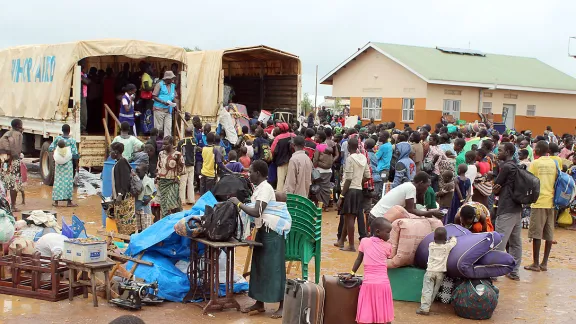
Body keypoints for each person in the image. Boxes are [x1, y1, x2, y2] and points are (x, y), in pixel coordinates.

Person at [230, 160, 285, 319]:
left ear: (258, 174)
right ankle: (259, 302)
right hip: (263, 230)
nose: (248, 174)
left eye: (251, 171)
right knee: (259, 266)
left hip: (273, 232)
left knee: (274, 269)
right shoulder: (259, 188)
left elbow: (256, 211)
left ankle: (282, 305)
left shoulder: (266, 188)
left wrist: (238, 204)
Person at [348, 217, 394, 324]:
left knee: (368, 309)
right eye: (388, 232)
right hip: (383, 284)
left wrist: (351, 274)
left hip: (368, 283)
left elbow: (359, 259)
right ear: (377, 232)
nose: (389, 235)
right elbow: (387, 257)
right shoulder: (388, 246)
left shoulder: (364, 241)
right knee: (384, 310)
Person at [524, 141, 557, 273]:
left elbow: (529, 181)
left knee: (536, 233)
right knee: (549, 234)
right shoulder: (554, 163)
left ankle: (536, 263)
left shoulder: (535, 163)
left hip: (538, 201)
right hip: (551, 202)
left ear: (537, 149)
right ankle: (544, 263)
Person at [493, 142, 523, 281]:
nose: (498, 152)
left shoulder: (505, 167)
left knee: (500, 240)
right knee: (516, 242)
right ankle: (514, 271)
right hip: (517, 209)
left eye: (500, 150)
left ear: (508, 151)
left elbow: (496, 186)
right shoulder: (516, 166)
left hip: (506, 209)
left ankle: (493, 273)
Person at [336, 138, 372, 252]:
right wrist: (359, 183)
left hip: (350, 190)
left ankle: (351, 245)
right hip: (359, 190)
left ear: (347, 147)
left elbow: (348, 179)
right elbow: (367, 175)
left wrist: (341, 196)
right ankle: (341, 240)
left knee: (349, 217)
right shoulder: (363, 157)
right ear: (357, 146)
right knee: (348, 217)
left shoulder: (350, 159)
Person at [370, 172, 443, 222]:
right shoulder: (411, 188)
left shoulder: (409, 185)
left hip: (376, 216)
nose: (427, 188)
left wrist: (421, 194)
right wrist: (431, 213)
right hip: (379, 218)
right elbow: (411, 210)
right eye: (427, 186)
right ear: (421, 183)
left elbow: (415, 207)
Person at [416, 227, 457, 316]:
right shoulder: (447, 247)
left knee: (427, 290)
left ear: (434, 238)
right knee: (434, 290)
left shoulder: (431, 245)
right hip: (440, 273)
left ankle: (424, 308)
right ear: (445, 239)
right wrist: (453, 238)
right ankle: (428, 305)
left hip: (430, 271)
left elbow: (437, 242)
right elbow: (453, 242)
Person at [110, 142, 136, 234]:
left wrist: (120, 194)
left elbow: (125, 181)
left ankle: (129, 244)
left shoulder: (122, 162)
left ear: (116, 152)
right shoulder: (119, 162)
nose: (110, 152)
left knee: (126, 225)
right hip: (120, 197)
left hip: (124, 198)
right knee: (122, 225)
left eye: (111, 151)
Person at [156, 136, 185, 217]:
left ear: (172, 144)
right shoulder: (161, 154)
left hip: (173, 182)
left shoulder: (177, 155)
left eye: (166, 144)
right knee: (164, 204)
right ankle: (166, 221)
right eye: (163, 144)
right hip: (162, 182)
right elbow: (159, 167)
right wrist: (157, 177)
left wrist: (178, 177)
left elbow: (182, 169)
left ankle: (175, 219)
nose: (164, 146)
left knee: (171, 203)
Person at [0, 119, 24, 211]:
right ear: (18, 126)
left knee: (4, 183)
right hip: (13, 161)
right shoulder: (18, 135)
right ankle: (13, 206)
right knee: (14, 183)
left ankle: (4, 204)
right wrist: (16, 157)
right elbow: (17, 149)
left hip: (4, 161)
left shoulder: (6, 134)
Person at [51, 139, 78, 207]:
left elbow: (53, 154)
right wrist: (77, 165)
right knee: (68, 183)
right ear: (65, 145)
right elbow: (73, 155)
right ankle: (69, 202)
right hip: (67, 168)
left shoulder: (56, 151)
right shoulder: (68, 150)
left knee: (57, 183)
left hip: (59, 169)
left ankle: (56, 202)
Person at [152, 71, 178, 136]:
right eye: (171, 78)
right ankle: (158, 144)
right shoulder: (159, 84)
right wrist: (163, 102)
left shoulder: (172, 85)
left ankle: (167, 144)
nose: (172, 80)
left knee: (168, 129)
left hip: (169, 110)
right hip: (159, 109)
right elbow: (154, 96)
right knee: (158, 129)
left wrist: (176, 105)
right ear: (166, 79)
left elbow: (174, 96)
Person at [312, 131, 333, 210]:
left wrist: (313, 167)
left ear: (320, 139)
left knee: (318, 188)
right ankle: (326, 205)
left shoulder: (318, 147)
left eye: (316, 137)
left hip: (320, 171)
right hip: (328, 171)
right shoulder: (327, 146)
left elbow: (315, 160)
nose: (315, 138)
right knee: (326, 188)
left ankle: (320, 205)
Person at [271, 123, 294, 191]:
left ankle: (279, 198)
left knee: (280, 182)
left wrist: (273, 159)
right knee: (289, 181)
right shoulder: (292, 135)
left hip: (281, 162)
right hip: (291, 161)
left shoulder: (278, 138)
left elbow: (272, 150)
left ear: (280, 129)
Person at [177, 128, 196, 205]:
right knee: (191, 183)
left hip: (183, 165)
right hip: (192, 165)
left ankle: (182, 200)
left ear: (184, 133)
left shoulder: (181, 142)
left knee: (183, 183)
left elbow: (178, 154)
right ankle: (191, 200)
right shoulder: (194, 141)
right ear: (191, 133)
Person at [135, 164, 156, 231]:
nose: (137, 174)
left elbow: (155, 192)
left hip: (145, 207)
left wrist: (149, 199)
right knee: (139, 227)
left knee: (146, 227)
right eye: (136, 172)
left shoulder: (149, 181)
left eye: (139, 172)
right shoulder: (135, 180)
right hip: (137, 207)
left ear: (145, 172)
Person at [79, 60, 90, 135]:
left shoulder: (83, 74)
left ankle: (82, 128)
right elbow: (87, 82)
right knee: (83, 113)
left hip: (84, 95)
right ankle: (82, 129)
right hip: (81, 95)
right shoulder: (79, 74)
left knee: (83, 113)